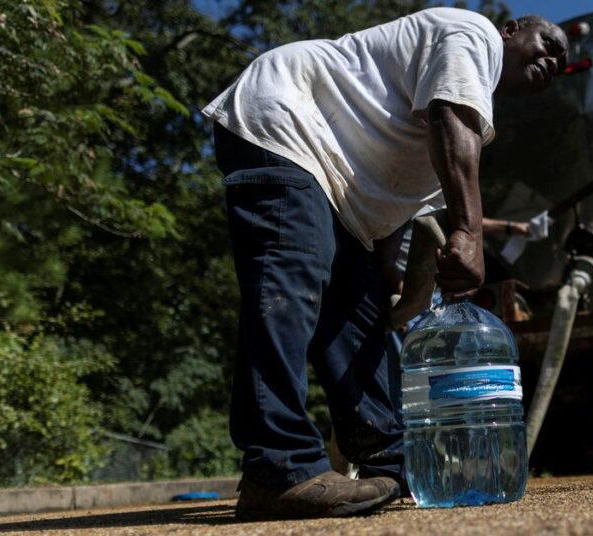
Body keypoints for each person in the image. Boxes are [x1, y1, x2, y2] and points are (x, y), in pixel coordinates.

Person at [202, 7, 568, 520]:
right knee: (292, 282)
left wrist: (386, 273)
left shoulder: (470, 107)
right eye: (547, 42)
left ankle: (392, 463)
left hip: (341, 188)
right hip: (288, 120)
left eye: (561, 62)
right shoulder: (473, 34)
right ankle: (277, 467)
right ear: (510, 30)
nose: (553, 58)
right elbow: (448, 118)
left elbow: (396, 199)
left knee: (359, 316)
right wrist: (466, 231)